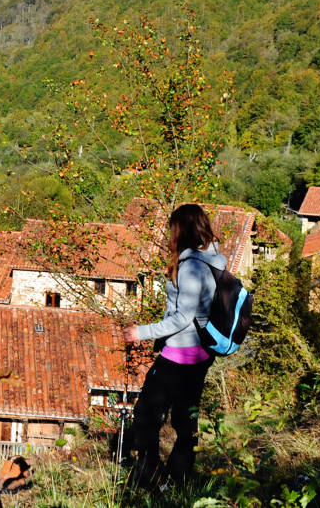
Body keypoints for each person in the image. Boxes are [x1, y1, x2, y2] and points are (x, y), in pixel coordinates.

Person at [122, 203, 224, 489]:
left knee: (146, 416)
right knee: (185, 419)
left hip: (181, 354)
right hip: (200, 353)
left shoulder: (192, 267)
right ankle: (179, 482)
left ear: (181, 229)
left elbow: (183, 317)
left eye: (172, 229)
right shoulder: (211, 259)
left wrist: (140, 332)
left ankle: (151, 480)